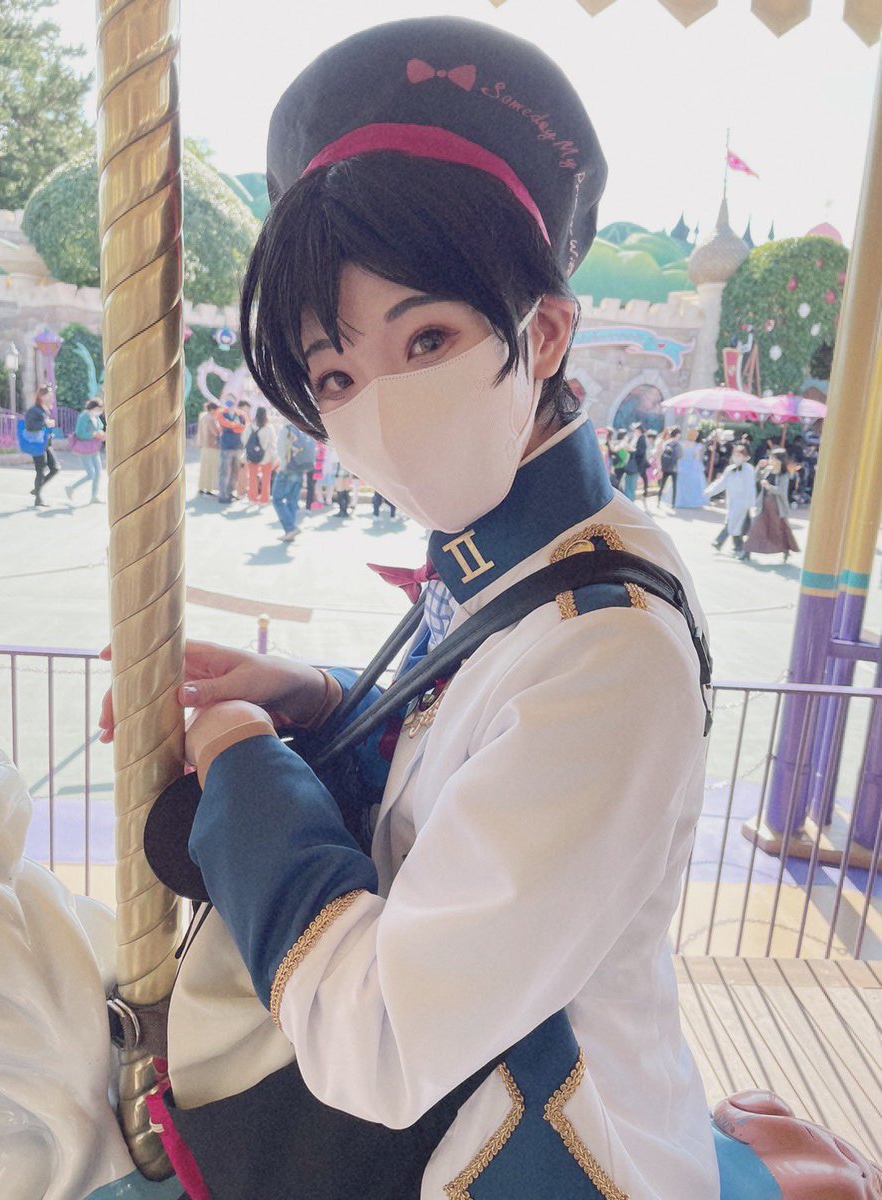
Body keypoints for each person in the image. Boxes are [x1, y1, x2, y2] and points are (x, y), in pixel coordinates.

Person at [116, 19, 722, 1199]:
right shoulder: (525, 564)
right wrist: (320, 697)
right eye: (337, 376)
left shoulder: (612, 645)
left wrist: (242, 763)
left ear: (546, 332)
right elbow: (481, 737)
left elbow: (380, 1040)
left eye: (428, 337)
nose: (380, 407)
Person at [742, 449, 800, 562]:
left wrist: (769, 487)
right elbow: (756, 478)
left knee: (777, 529)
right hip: (763, 503)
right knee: (756, 527)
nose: (770, 460)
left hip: (776, 506)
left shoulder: (783, 474)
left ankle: (785, 549)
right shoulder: (768, 469)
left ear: (779, 460)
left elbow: (782, 491)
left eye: (772, 458)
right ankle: (746, 552)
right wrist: (759, 467)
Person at [704, 442, 756, 555]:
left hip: (743, 502)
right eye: (735, 455)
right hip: (732, 500)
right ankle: (739, 547)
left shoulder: (748, 469)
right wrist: (709, 491)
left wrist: (750, 503)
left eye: (739, 455)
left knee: (733, 523)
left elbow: (750, 488)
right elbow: (721, 483)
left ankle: (719, 542)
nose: (736, 457)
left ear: (745, 457)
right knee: (735, 524)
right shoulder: (730, 469)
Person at [272, 421, 316, 540]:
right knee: (292, 500)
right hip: (300, 468)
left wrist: (282, 467)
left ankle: (290, 528)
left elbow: (281, 450)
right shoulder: (301, 428)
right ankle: (290, 531)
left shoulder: (286, 429)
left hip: (287, 469)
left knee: (277, 499)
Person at [64, 398, 106, 505]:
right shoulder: (83, 416)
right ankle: (71, 488)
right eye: (98, 409)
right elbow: (80, 434)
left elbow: (100, 426)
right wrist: (94, 434)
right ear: (93, 408)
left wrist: (100, 433)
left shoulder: (95, 416)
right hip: (84, 448)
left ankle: (94, 496)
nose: (100, 412)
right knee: (91, 474)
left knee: (98, 472)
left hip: (93, 447)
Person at [23, 384, 59, 507]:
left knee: (55, 468)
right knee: (40, 471)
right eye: (48, 396)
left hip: (46, 444)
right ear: (41, 396)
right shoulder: (34, 410)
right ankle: (38, 499)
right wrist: (45, 423)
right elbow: (30, 426)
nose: (50, 398)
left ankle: (37, 489)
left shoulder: (44, 409)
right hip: (37, 444)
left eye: (51, 396)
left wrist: (47, 424)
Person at [243, 405, 276, 504]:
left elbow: (244, 440)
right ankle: (264, 499)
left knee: (252, 477)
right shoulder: (269, 427)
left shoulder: (250, 426)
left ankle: (252, 498)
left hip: (252, 455)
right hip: (266, 456)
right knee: (266, 478)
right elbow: (273, 442)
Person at [216, 396, 247, 502]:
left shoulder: (241, 414)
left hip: (238, 446)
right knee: (224, 472)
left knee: (235, 472)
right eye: (228, 401)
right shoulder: (221, 413)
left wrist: (233, 427)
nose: (230, 403)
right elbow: (224, 424)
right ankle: (223, 495)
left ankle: (230, 492)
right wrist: (236, 426)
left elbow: (244, 427)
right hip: (226, 447)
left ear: (235, 402)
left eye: (231, 401)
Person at [675, 428, 707, 508]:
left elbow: (679, 455)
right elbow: (697, 458)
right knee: (692, 485)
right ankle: (690, 502)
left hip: (681, 465)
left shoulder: (681, 443)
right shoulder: (697, 446)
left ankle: (680, 501)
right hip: (692, 466)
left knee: (681, 484)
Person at [196, 400, 220, 495]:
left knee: (204, 467)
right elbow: (215, 432)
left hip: (204, 445)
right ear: (213, 409)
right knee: (210, 468)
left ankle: (201, 487)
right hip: (212, 445)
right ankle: (209, 488)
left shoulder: (203, 416)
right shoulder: (211, 419)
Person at [657, 425, 682, 507]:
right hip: (674, 468)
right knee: (674, 486)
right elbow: (680, 455)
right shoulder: (677, 444)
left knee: (662, 485)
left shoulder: (667, 443)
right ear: (677, 434)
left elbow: (662, 455)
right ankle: (673, 504)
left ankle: (658, 501)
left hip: (666, 467)